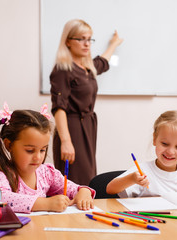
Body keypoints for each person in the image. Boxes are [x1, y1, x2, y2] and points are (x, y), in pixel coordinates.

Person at [0, 102, 95, 213]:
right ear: (9, 145)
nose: (38, 157)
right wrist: (46, 203)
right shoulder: (3, 175)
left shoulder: (46, 173)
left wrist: (84, 192)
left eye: (42, 150)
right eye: (30, 150)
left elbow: (73, 189)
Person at [50, 19, 123, 185]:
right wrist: (66, 142)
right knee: (76, 179)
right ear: (68, 41)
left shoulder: (87, 67)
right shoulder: (63, 69)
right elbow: (59, 108)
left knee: (88, 176)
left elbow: (102, 62)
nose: (87, 44)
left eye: (89, 39)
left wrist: (114, 44)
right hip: (72, 128)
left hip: (88, 127)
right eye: (81, 39)